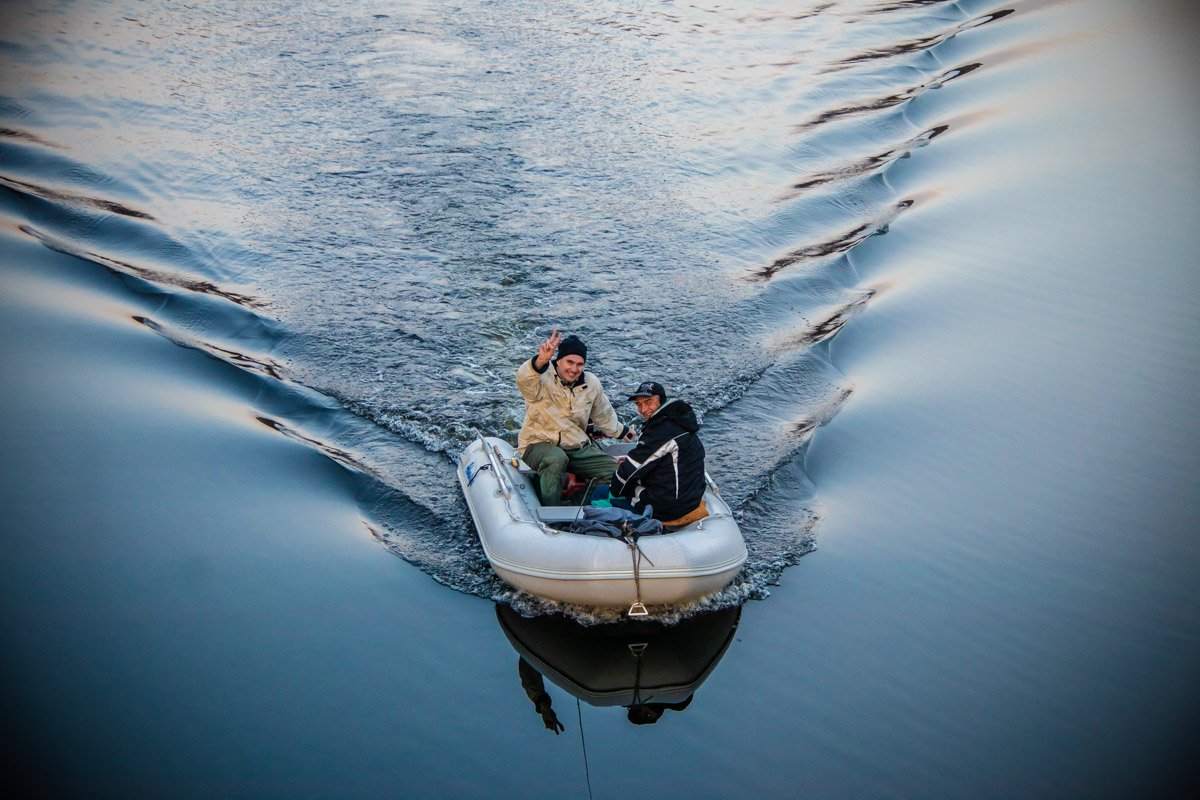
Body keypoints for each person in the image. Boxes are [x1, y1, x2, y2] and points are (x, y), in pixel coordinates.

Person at [516, 329, 634, 506]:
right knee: (556, 458)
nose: (574, 369)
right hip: (537, 444)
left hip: (575, 446)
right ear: (558, 360)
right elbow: (523, 380)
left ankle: (576, 505)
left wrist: (621, 431)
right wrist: (541, 360)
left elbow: (603, 413)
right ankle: (551, 513)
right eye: (569, 362)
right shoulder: (541, 376)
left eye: (579, 364)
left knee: (618, 473)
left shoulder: (591, 383)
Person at [609, 381, 708, 525]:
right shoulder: (681, 422)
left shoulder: (660, 430)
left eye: (648, 402)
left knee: (602, 494)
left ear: (661, 401)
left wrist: (614, 488)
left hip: (669, 509)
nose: (643, 409)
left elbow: (627, 474)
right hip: (691, 499)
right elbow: (661, 456)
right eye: (639, 404)